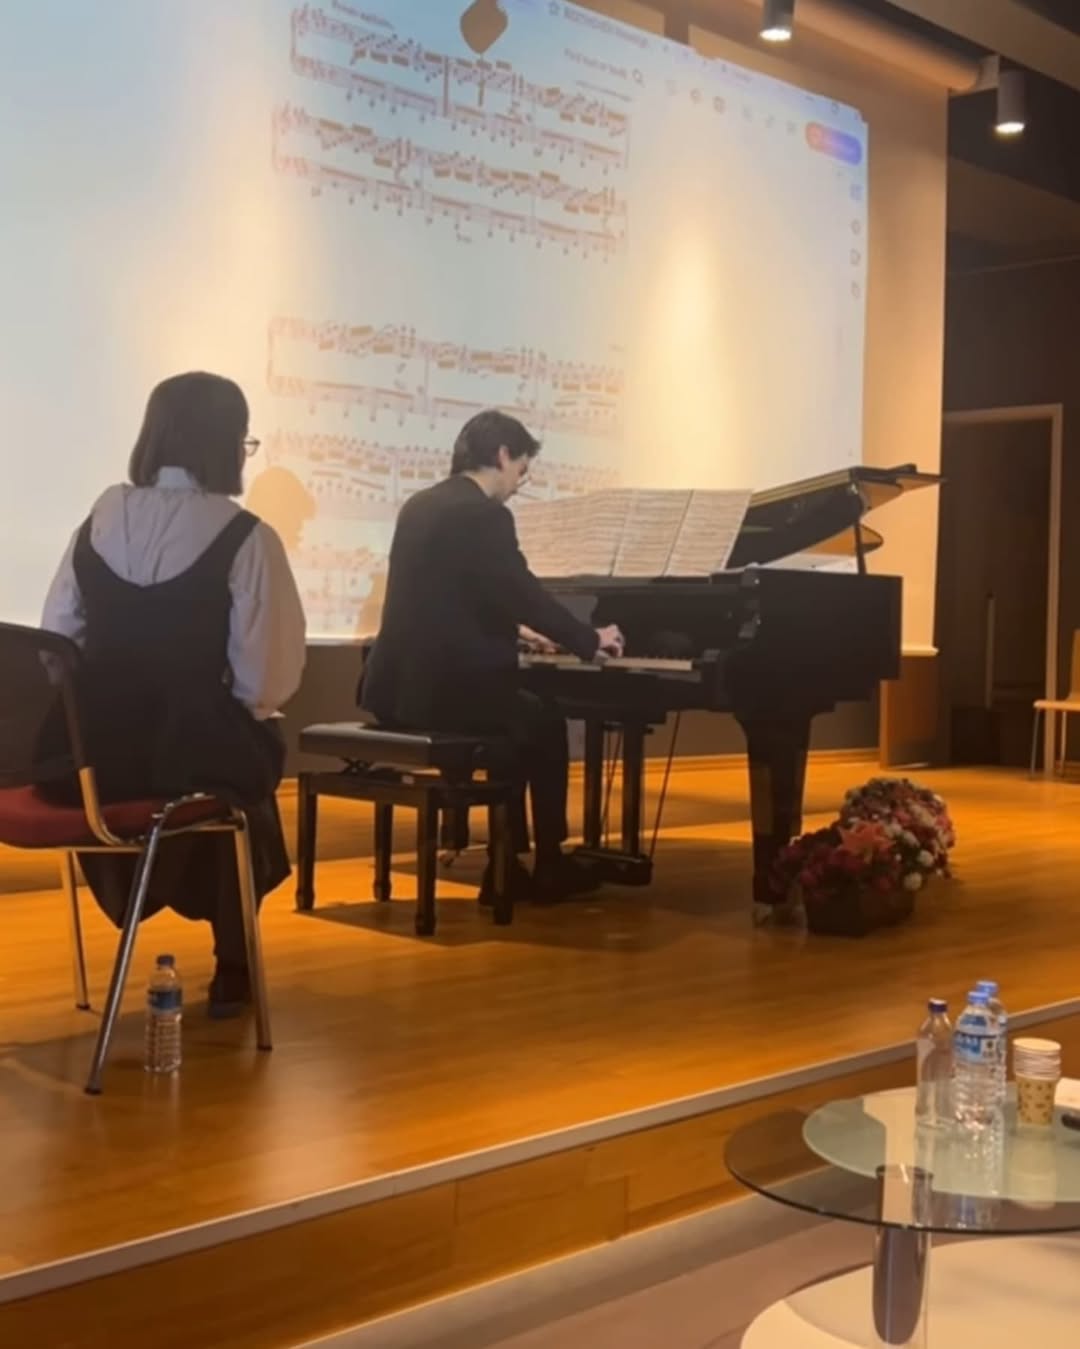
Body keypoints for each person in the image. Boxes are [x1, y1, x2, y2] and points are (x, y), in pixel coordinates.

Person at [41, 372, 307, 1016]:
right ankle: (234, 960)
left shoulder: (96, 521)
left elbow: (56, 646)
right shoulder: (247, 537)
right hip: (184, 761)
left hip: (88, 768)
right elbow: (264, 683)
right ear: (226, 443)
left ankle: (163, 901)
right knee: (248, 761)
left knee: (221, 759)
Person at [359, 409, 623, 901]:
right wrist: (589, 638)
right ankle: (548, 862)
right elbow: (523, 593)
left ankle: (507, 861)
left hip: (397, 690)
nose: (519, 483)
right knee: (542, 720)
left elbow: (451, 598)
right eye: (522, 469)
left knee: (516, 715)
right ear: (503, 455)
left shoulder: (420, 505)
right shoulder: (484, 515)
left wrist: (519, 633)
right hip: (446, 695)